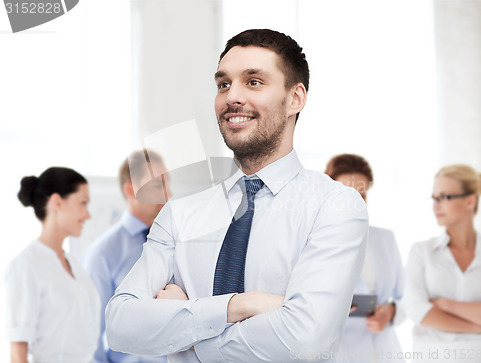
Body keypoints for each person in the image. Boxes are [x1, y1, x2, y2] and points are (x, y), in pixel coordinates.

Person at [106, 29, 368, 363]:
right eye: (223, 84)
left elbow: (306, 342)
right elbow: (120, 325)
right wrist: (239, 306)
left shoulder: (334, 206)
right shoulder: (179, 214)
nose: (233, 97)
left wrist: (188, 332)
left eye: (254, 82)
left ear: (295, 98)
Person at [403, 164, 481, 363]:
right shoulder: (421, 251)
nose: (436, 205)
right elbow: (415, 309)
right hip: (429, 357)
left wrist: (446, 305)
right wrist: (479, 324)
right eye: (434, 198)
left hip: (477, 357)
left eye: (445, 197)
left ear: (470, 201)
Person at [5, 167, 100, 363]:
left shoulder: (73, 263)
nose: (88, 215)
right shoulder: (25, 266)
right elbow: (17, 355)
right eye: (83, 203)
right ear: (57, 202)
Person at [82, 149, 169, 363]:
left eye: (166, 184)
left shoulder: (175, 243)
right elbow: (90, 339)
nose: (167, 195)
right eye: (157, 185)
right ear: (131, 191)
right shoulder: (102, 254)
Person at [325, 154, 405, 363]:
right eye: (346, 194)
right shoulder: (311, 243)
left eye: (362, 194)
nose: (356, 202)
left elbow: (407, 297)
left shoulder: (385, 239)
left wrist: (390, 312)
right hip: (338, 353)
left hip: (384, 351)